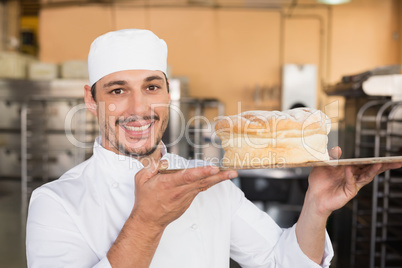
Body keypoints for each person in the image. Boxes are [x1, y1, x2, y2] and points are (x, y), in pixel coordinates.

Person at [26, 29, 402, 268]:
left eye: (152, 87)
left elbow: (278, 261)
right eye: (118, 90)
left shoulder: (206, 181)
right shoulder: (56, 202)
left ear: (168, 94)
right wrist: (147, 223)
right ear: (91, 101)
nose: (139, 108)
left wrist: (316, 206)